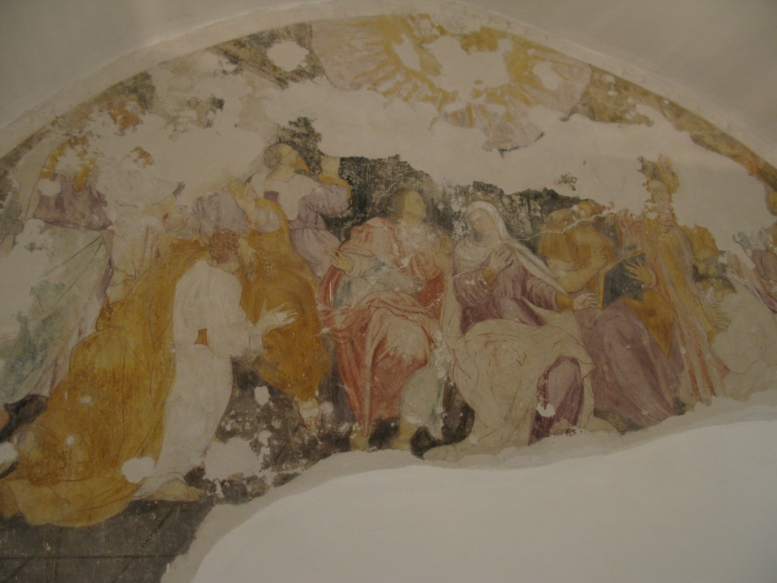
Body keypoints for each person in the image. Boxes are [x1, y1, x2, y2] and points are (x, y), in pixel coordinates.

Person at [425, 201, 595, 461]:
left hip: (525, 325)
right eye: (473, 221)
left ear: (495, 218)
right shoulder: (465, 253)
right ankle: (523, 440)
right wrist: (490, 271)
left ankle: (550, 436)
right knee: (509, 367)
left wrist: (570, 302)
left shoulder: (512, 251)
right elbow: (464, 293)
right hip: (485, 328)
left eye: (483, 218)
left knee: (567, 363)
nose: (479, 225)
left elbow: (533, 286)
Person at [134, 229, 294, 501]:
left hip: (186, 356)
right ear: (234, 254)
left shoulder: (198, 271)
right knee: (194, 415)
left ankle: (189, 462)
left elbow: (214, 326)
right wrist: (263, 327)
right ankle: (162, 480)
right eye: (246, 248)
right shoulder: (225, 282)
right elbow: (226, 340)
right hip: (204, 363)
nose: (250, 254)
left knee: (187, 415)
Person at [319, 188, 452, 450]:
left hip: (415, 306)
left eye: (420, 199)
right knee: (391, 342)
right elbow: (365, 262)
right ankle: (367, 422)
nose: (421, 203)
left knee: (426, 349)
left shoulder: (434, 238)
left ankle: (404, 433)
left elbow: (446, 272)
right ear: (401, 205)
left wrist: (445, 268)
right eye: (414, 199)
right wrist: (351, 265)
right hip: (378, 300)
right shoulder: (382, 230)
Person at [538, 200, 682, 431]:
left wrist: (646, 278)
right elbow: (564, 282)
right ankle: (644, 407)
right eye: (581, 211)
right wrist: (593, 267)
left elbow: (619, 270)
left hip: (611, 303)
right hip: (581, 307)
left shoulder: (602, 237)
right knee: (613, 331)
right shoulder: (558, 233)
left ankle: (663, 398)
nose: (586, 216)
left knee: (648, 321)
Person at [230, 178, 331, 421]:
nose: (244, 196)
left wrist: (251, 210)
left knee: (291, 319)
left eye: (246, 192)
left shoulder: (266, 210)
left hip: (282, 275)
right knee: (277, 327)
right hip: (251, 282)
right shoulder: (226, 212)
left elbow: (271, 222)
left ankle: (302, 388)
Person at [634, 156, 729, 405]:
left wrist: (701, 308)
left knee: (703, 343)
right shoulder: (652, 235)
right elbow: (658, 275)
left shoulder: (676, 233)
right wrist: (650, 279)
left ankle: (715, 394)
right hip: (676, 305)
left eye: (663, 196)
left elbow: (689, 276)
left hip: (690, 302)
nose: (661, 202)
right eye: (654, 197)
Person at [251, 143, 350, 279]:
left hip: (275, 243)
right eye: (290, 152)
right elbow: (337, 205)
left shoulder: (259, 180)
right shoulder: (299, 184)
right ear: (282, 161)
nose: (296, 152)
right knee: (337, 258)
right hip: (306, 243)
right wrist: (333, 175)